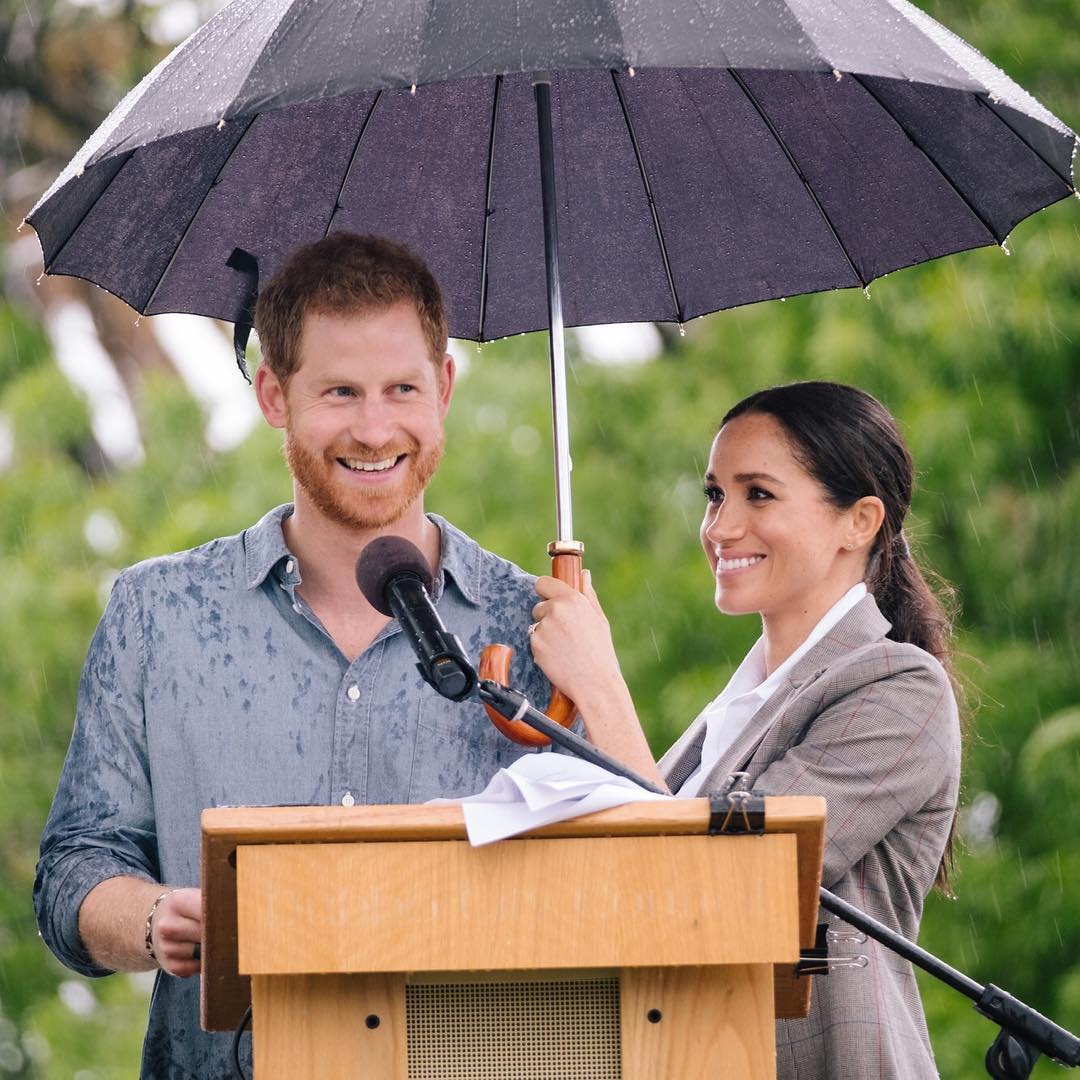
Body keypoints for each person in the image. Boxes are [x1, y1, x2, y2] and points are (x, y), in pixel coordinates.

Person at [34, 233, 550, 1079]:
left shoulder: (531, 621)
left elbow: (619, 873)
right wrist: (155, 916)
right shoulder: (158, 614)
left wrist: (594, 670)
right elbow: (72, 875)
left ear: (445, 389)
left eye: (402, 389)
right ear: (274, 393)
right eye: (340, 391)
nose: (376, 428)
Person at [528, 381, 962, 1080]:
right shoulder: (729, 715)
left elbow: (719, 889)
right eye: (714, 495)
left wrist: (603, 689)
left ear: (860, 521)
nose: (720, 527)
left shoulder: (897, 690)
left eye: (758, 494)